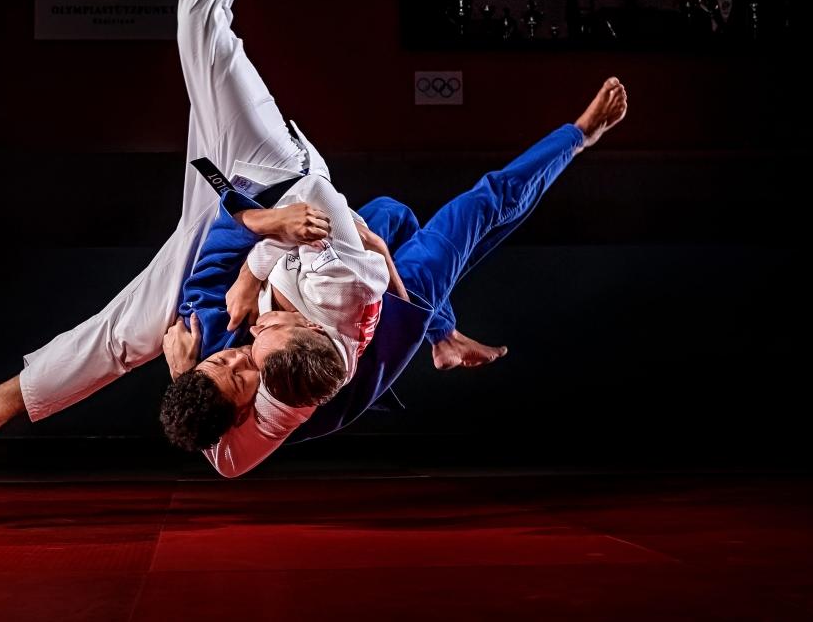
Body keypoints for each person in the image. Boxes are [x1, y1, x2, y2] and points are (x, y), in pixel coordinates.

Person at [0, 0, 383, 500]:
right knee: (205, 33)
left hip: (223, 204)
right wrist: (262, 257)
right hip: (272, 165)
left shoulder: (269, 376)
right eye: (249, 353)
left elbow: (222, 451)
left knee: (135, 332)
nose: (244, 337)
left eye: (235, 357)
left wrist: (185, 374)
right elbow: (309, 211)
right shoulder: (336, 304)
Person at [159, 79, 628, 477]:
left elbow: (229, 251)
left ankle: (445, 337)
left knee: (392, 211)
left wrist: (187, 366)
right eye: (245, 376)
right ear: (248, 411)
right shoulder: (279, 405)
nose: (240, 356)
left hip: (330, 275)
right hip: (378, 313)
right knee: (481, 208)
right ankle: (579, 136)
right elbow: (357, 243)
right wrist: (370, 265)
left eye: (222, 363)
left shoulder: (212, 345)